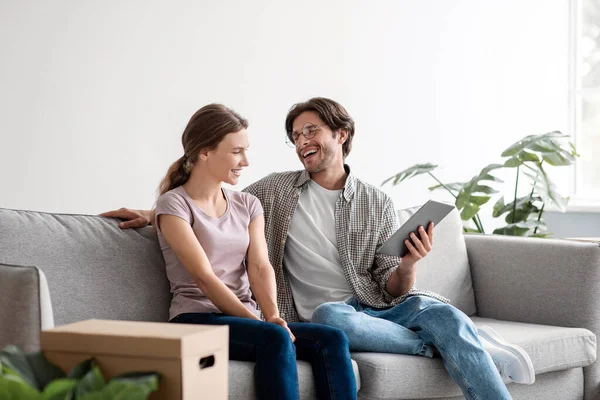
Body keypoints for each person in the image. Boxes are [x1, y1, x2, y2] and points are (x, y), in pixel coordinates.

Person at [103, 98, 535, 399]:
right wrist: (152, 212)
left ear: (341, 134)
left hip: (376, 310)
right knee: (330, 318)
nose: (301, 141)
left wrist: (409, 262)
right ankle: (439, 343)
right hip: (324, 312)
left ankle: (451, 336)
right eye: (294, 135)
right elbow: (204, 199)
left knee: (442, 314)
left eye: (310, 130)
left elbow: (392, 289)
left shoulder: (374, 201)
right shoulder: (275, 191)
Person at [101, 104, 357, 400]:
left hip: (248, 318)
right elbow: (204, 278)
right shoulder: (174, 205)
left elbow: (260, 267)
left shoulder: (247, 205)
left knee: (333, 339)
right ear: (205, 152)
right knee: (272, 338)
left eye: (245, 151)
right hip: (196, 319)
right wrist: (257, 320)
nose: (246, 161)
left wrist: (272, 314)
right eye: (236, 152)